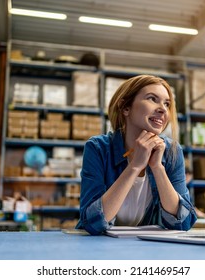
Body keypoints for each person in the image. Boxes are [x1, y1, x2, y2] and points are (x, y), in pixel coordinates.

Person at [76, 74, 197, 235]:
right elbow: (92, 223)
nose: (162, 109)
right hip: (99, 249)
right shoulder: (98, 148)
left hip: (145, 249)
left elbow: (184, 222)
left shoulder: (173, 152)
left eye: (167, 104)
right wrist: (134, 167)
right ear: (125, 107)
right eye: (152, 99)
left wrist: (157, 167)